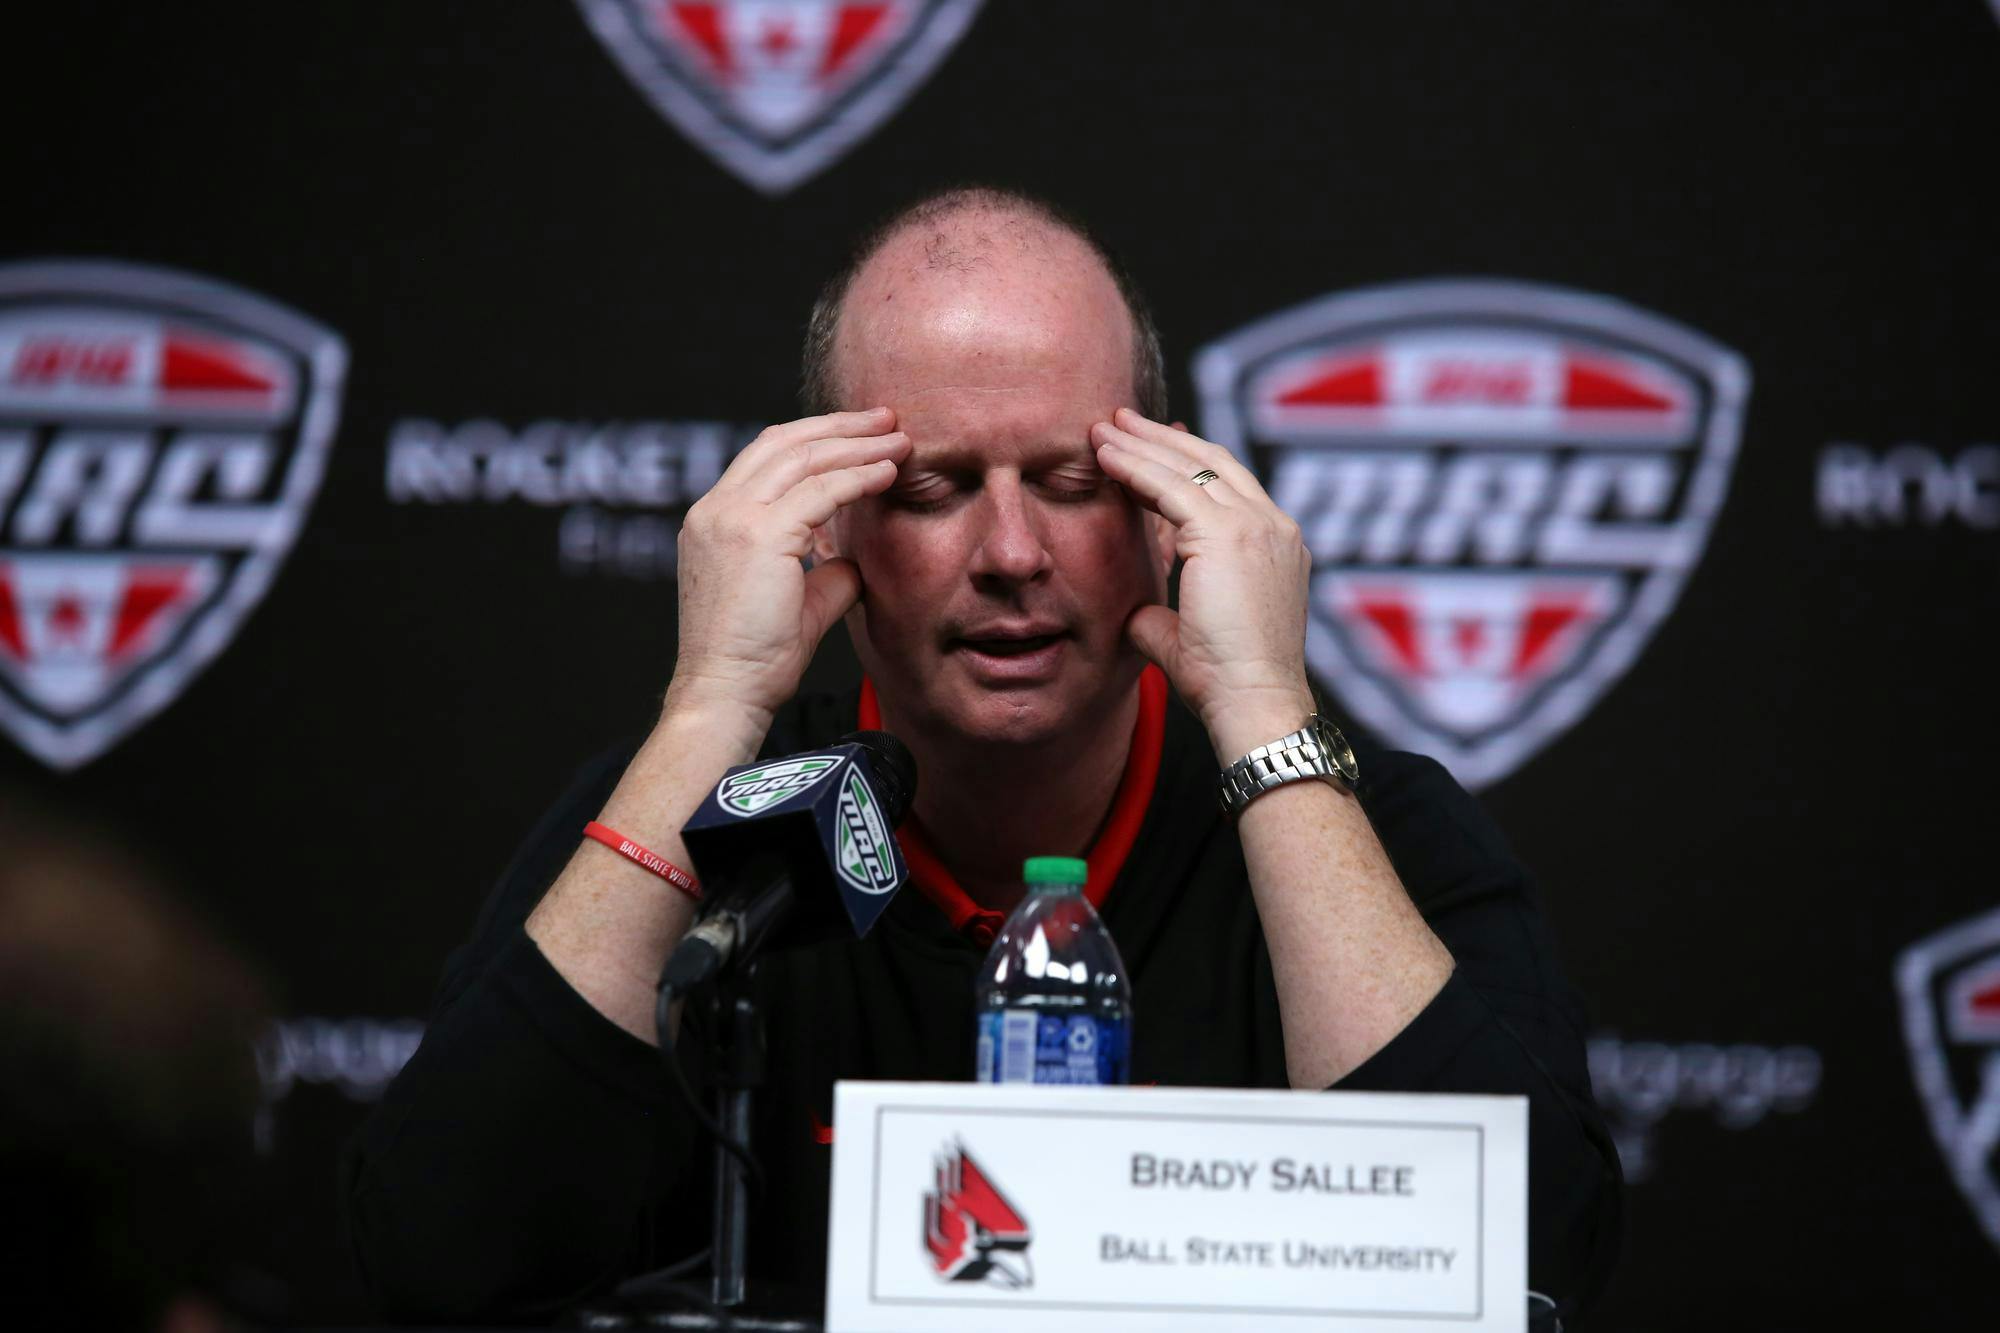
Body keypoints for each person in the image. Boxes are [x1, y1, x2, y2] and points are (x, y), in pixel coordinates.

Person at [347, 186, 1621, 1323]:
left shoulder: (1369, 829)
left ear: (1169, 505)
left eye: (1069, 479)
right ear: (825, 516)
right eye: (931, 487)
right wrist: (710, 706)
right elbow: (435, 1260)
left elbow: (1528, 1268)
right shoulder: (707, 831)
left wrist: (1262, 709)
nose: (1009, 551)